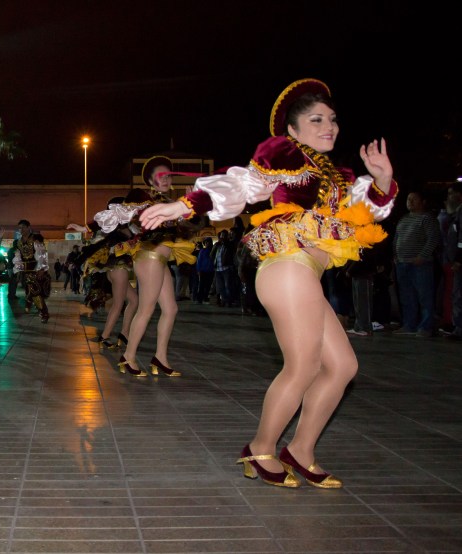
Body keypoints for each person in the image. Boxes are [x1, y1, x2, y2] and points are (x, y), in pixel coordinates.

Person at [140, 78, 397, 488]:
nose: (328, 126)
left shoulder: (339, 173)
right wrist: (186, 203)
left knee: (344, 366)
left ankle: (301, 450)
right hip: (287, 265)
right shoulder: (283, 154)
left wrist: (382, 181)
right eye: (316, 120)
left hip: (308, 273)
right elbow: (241, 183)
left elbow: (366, 214)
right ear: (292, 130)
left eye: (332, 119)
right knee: (304, 366)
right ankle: (260, 447)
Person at [92, 156, 197, 377]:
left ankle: (160, 358)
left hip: (161, 260)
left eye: (169, 175)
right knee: (146, 308)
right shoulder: (143, 198)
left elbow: (187, 227)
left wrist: (191, 204)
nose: (167, 178)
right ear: (150, 180)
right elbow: (115, 214)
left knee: (171, 309)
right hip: (148, 257)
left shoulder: (171, 202)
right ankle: (128, 356)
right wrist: (84, 226)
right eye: (161, 176)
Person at [68, 196, 138, 350]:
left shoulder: (125, 225)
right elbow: (97, 234)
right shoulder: (115, 227)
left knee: (134, 300)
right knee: (118, 304)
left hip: (117, 269)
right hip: (118, 268)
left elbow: (96, 245)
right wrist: (83, 228)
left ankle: (124, 334)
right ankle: (105, 336)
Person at [393, 190, 441, 337]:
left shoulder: (427, 218)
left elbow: (433, 239)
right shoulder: (404, 219)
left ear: (423, 202)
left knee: (424, 296)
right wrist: (395, 256)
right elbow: (397, 239)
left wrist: (422, 256)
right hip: (402, 263)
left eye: (414, 199)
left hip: (420, 264)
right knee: (407, 297)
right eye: (408, 199)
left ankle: (426, 327)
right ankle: (409, 324)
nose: (410, 202)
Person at [12, 219, 50, 322]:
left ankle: (43, 313)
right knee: (31, 291)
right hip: (26, 271)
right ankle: (32, 304)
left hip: (36, 269)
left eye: (23, 227)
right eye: (19, 228)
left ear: (29, 227)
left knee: (36, 292)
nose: (21, 230)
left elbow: (42, 254)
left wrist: (41, 268)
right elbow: (18, 256)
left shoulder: (35, 239)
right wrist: (18, 269)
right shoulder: (19, 242)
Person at [441, 182, 462, 340]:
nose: (448, 198)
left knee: (458, 294)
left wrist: (459, 258)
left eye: (450, 193)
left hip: (459, 261)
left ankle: (459, 328)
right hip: (453, 259)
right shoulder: (455, 214)